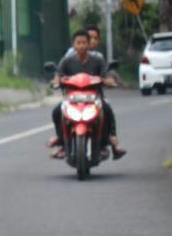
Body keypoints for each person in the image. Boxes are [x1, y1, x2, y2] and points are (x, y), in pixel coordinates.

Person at [48, 29, 125, 159]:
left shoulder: (97, 60)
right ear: (73, 44)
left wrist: (109, 80)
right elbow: (58, 75)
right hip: (72, 99)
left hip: (94, 98)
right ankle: (61, 142)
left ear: (89, 44)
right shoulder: (67, 61)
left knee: (107, 109)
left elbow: (106, 75)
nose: (81, 46)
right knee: (57, 111)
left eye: (84, 43)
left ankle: (111, 141)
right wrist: (56, 81)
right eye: (78, 43)